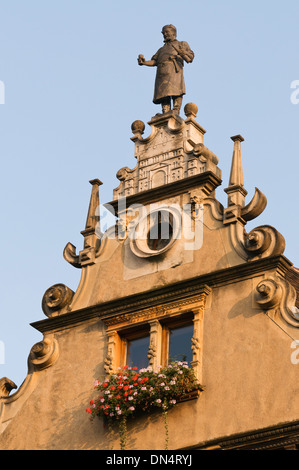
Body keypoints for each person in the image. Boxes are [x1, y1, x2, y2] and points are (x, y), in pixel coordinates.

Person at [138, 25, 194, 115]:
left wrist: (182, 52)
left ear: (173, 33)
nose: (165, 34)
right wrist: (144, 62)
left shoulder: (181, 44)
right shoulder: (161, 49)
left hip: (174, 70)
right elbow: (154, 61)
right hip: (161, 73)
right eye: (163, 33)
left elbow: (190, 57)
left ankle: (176, 109)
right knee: (163, 93)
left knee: (176, 91)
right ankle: (165, 111)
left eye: (167, 32)